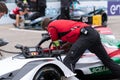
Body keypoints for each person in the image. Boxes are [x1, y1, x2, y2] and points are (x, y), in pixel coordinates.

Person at [41, 18, 120, 77]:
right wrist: (67, 45)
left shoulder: (51, 26)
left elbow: (55, 44)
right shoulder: (59, 22)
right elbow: (74, 34)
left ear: (45, 28)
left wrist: (53, 50)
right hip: (92, 33)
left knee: (68, 61)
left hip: (86, 35)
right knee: (106, 60)